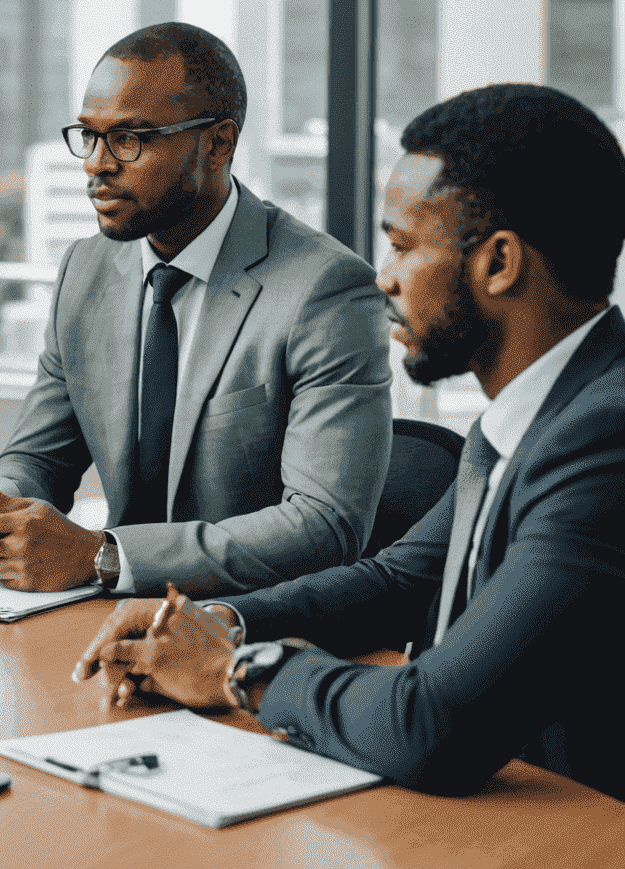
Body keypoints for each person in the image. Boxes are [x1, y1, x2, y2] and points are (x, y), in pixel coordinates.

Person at [76, 84, 625, 802]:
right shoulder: (537, 411)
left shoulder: (602, 439)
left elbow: (435, 724)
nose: (383, 277)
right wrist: (218, 621)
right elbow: (399, 580)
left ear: (498, 263)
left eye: (400, 245)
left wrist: (237, 672)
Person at [0, 22, 391, 597]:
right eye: (88, 135)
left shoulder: (325, 290)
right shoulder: (86, 270)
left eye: (129, 139)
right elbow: (38, 456)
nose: (95, 164)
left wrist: (104, 556)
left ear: (219, 142)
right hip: (101, 620)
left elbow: (324, 526)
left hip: (248, 631)